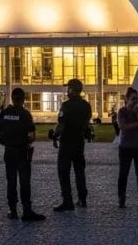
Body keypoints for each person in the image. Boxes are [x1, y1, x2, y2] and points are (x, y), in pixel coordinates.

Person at [0, 87, 46, 221]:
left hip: (9, 152)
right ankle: (27, 211)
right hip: (22, 152)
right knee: (24, 182)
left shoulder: (4, 113)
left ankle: (13, 211)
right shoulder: (25, 114)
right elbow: (32, 136)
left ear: (12, 98)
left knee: (11, 182)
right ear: (23, 100)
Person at [53, 78, 92, 212]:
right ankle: (82, 198)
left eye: (68, 88)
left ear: (72, 90)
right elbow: (86, 124)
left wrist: (55, 135)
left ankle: (67, 201)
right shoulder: (86, 106)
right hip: (79, 142)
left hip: (67, 143)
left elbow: (61, 125)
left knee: (64, 172)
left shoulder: (67, 105)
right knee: (79, 171)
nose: (67, 90)